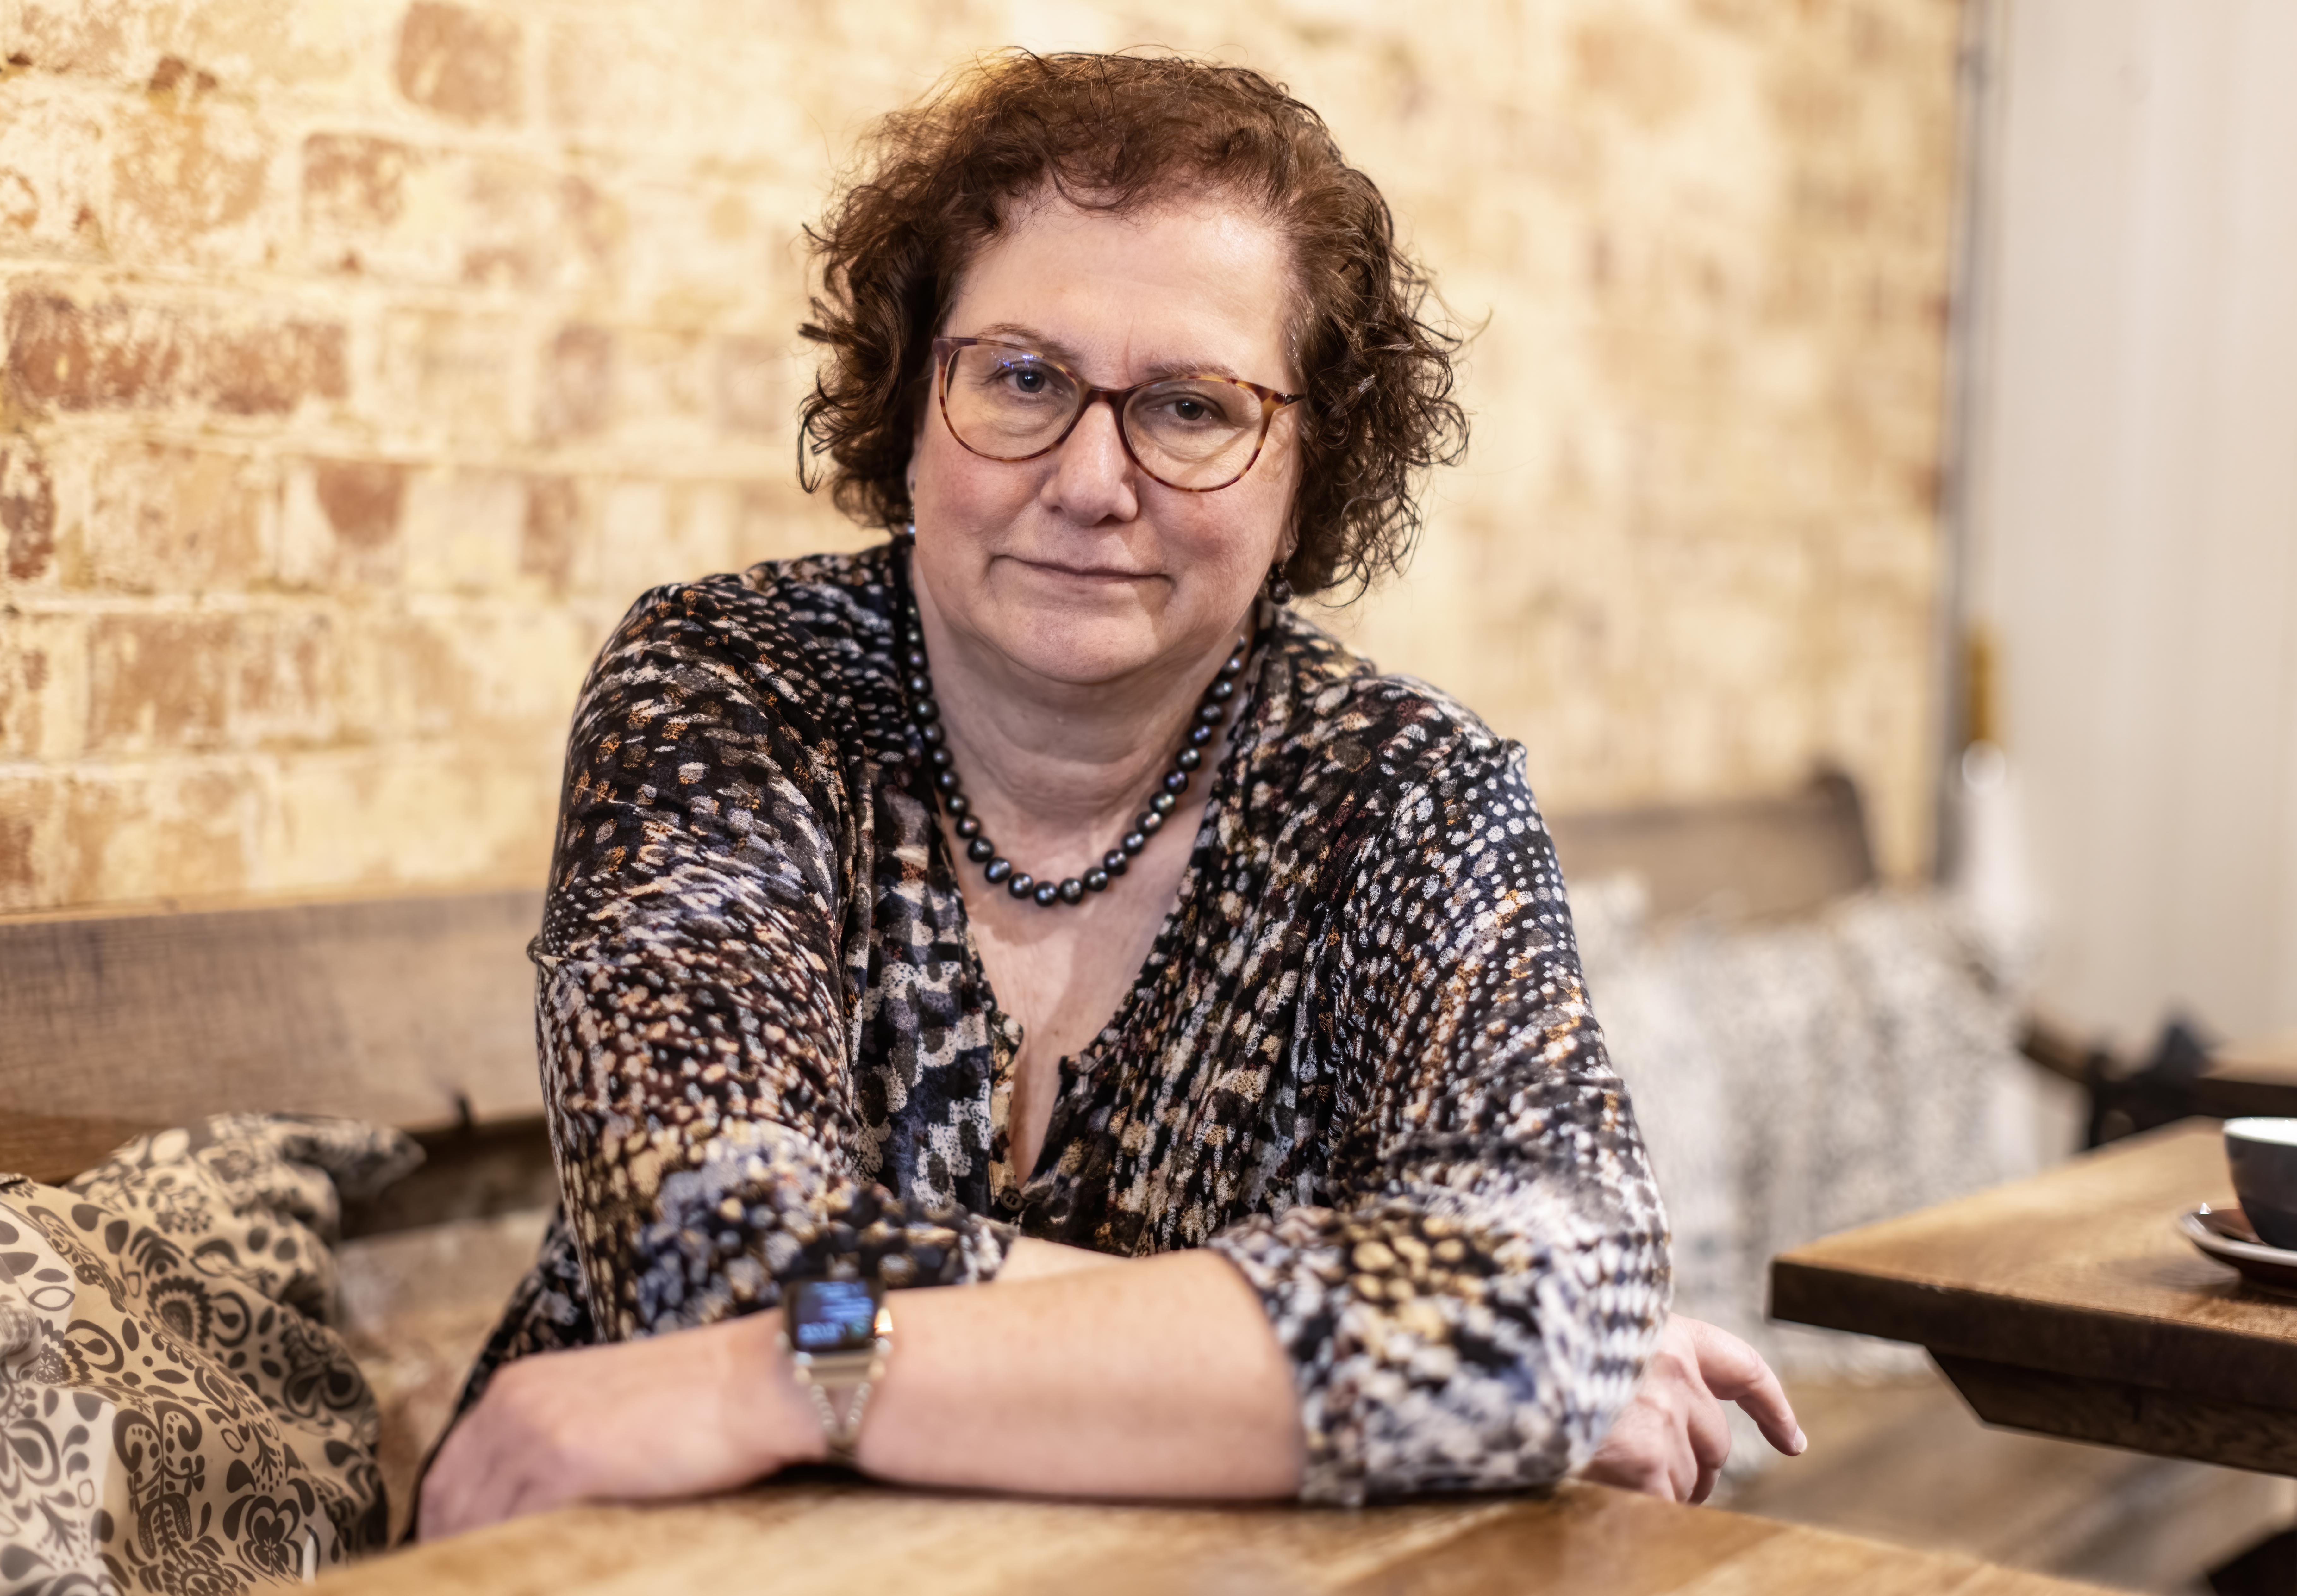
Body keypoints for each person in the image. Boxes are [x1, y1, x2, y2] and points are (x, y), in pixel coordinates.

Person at [417, 50, 1801, 1537]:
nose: (1090, 478)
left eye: (1193, 408)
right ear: (911, 392)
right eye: (1023, 378)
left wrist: (779, 1378)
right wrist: (1406, 1361)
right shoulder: (728, 693)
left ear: (1308, 462)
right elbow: (712, 1255)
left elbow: (1550, 1294)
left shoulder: (1405, 791)